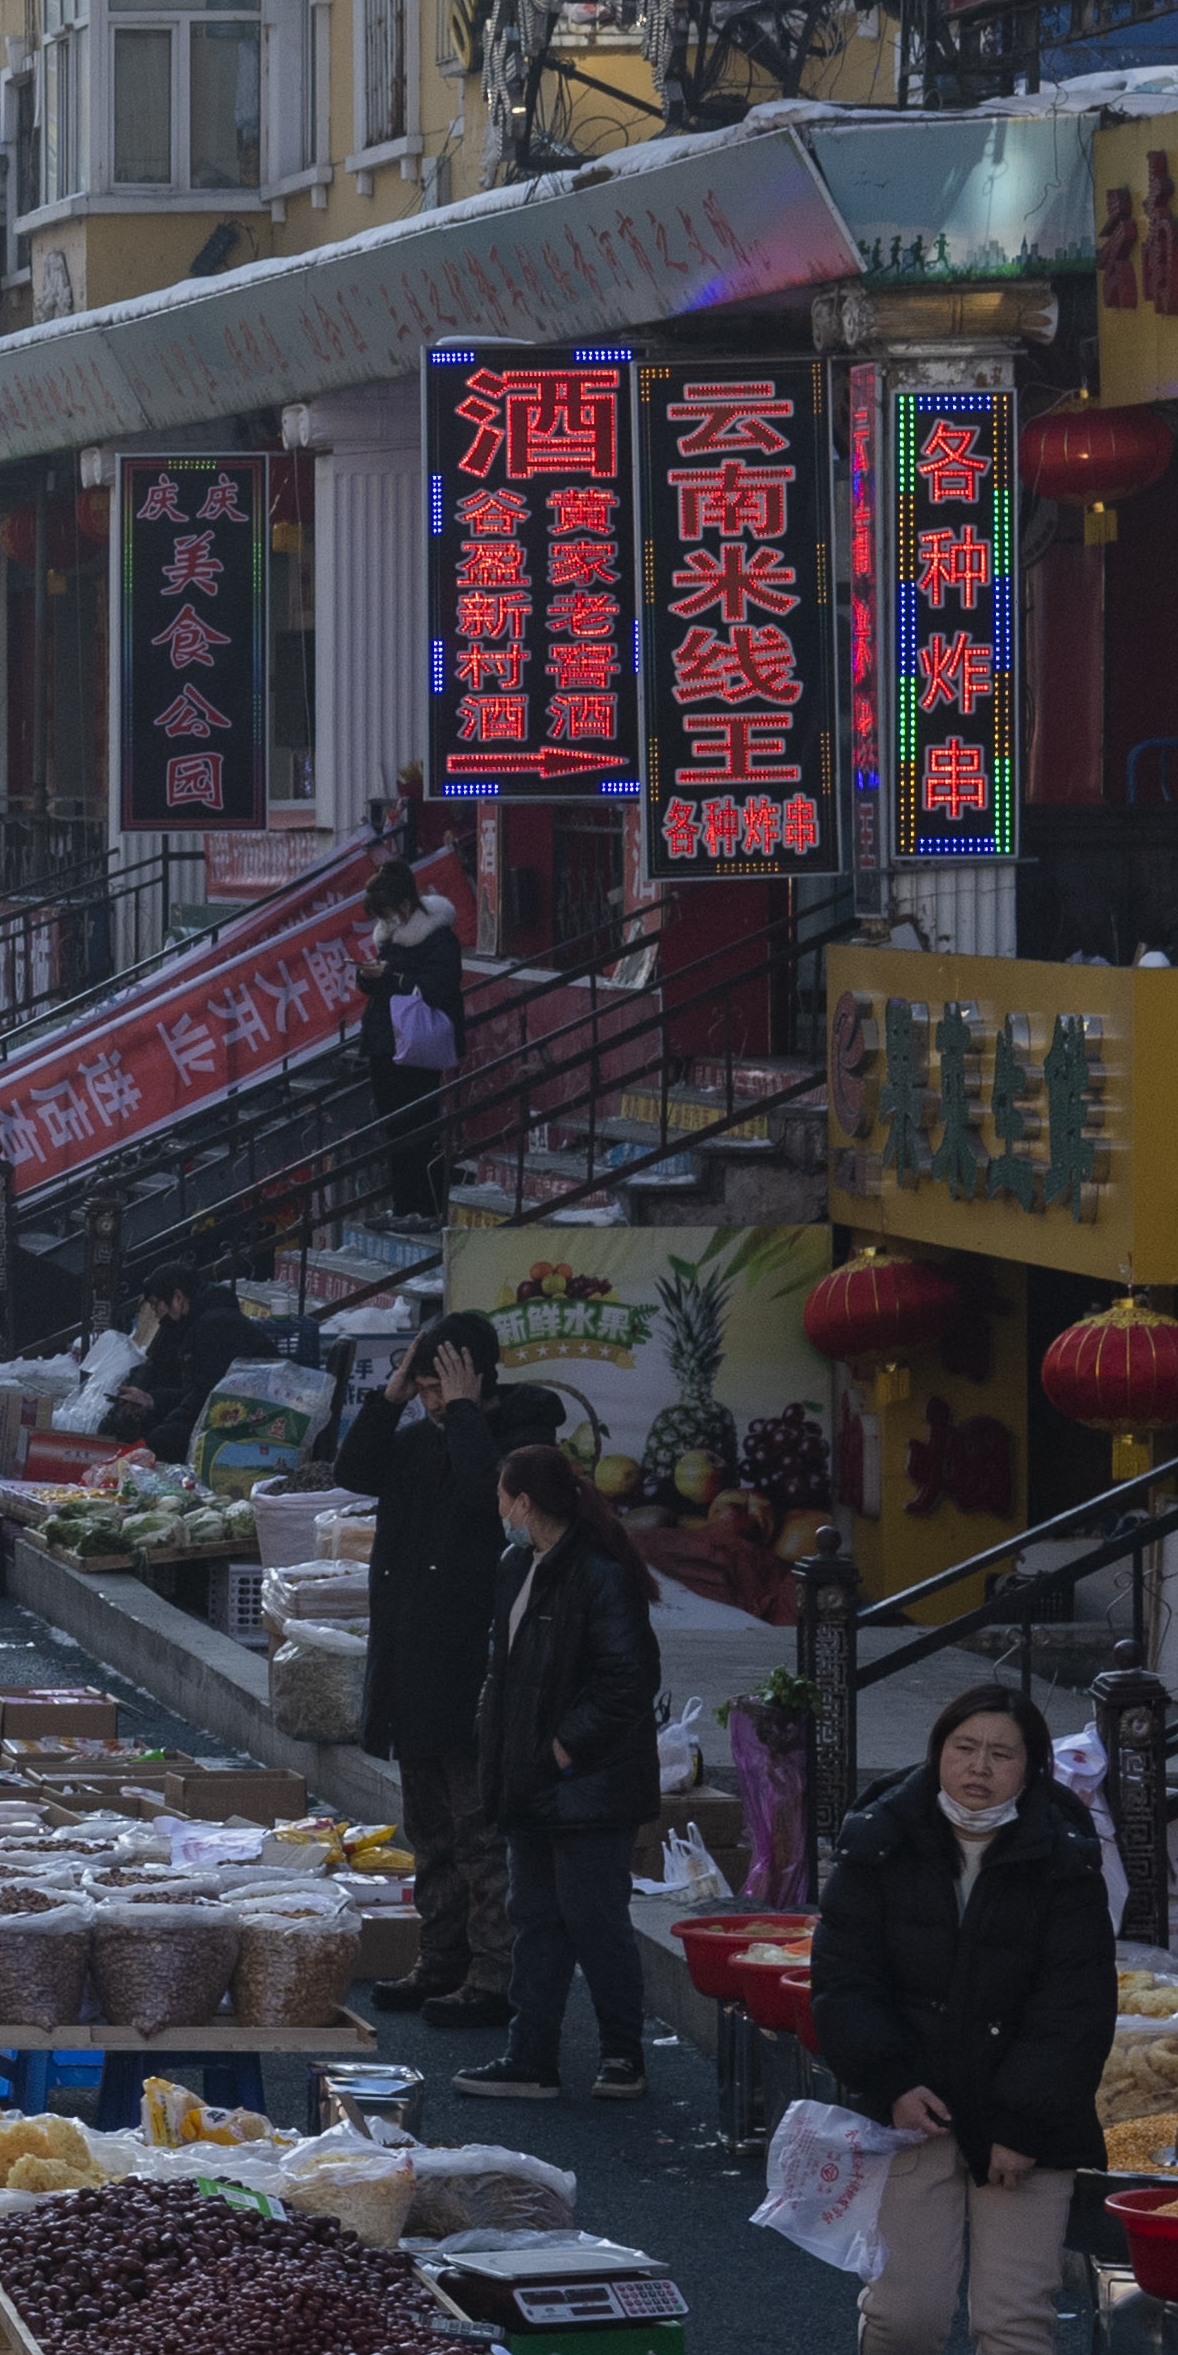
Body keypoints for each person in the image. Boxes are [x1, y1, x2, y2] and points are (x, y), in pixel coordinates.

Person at [811, 1682, 1113, 2355]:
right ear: (938, 1752)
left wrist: (1023, 2123)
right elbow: (843, 1979)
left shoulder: (1066, 1851)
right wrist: (890, 2082)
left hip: (1026, 2118)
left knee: (1013, 2317)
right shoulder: (881, 1835)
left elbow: (1076, 2004)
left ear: (1032, 1768)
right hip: (913, 2108)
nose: (980, 1768)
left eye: (1002, 1754)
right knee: (905, 2312)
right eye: (965, 1748)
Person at [340, 1315, 549, 2032]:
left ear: (476, 1378)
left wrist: (462, 1412)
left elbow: (484, 1501)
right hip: (410, 1656)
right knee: (427, 1829)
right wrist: (390, 1398)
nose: (430, 1401)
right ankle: (440, 1959)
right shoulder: (417, 1436)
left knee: (479, 1832)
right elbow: (353, 1471)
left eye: (440, 1387)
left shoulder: (524, 1440)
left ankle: (493, 1974)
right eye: (423, 1387)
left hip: (473, 1662)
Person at [462, 1439, 663, 2101]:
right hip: (528, 1778)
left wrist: (561, 1749)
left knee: (595, 1920)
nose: (497, 1510)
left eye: (502, 1498)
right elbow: (501, 1666)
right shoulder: (512, 1566)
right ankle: (530, 2057)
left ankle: (622, 2057)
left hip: (588, 1787)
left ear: (524, 1503)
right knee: (536, 1919)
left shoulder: (599, 1575)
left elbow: (629, 1681)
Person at [357, 856, 466, 1223]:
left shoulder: (437, 936)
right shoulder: (390, 937)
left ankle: (425, 1206)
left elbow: (439, 986)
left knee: (418, 1125)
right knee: (393, 1127)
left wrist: (394, 977)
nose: (386, 920)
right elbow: (382, 985)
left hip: (417, 1045)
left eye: (389, 912)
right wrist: (369, 976)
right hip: (385, 1040)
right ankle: (404, 1205)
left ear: (405, 904)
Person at [106, 1257, 257, 1464]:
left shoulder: (215, 1326)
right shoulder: (197, 1322)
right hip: (221, 1406)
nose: (157, 1315)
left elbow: (205, 1395)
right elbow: (194, 1391)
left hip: (242, 1414)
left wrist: (165, 1425)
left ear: (177, 1297)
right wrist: (151, 1400)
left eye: (156, 1305)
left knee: (163, 1439)